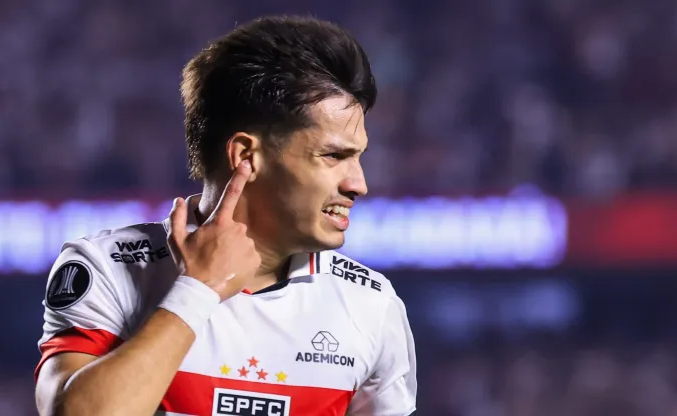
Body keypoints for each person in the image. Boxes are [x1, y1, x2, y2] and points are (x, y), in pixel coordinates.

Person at [34, 15, 417, 416]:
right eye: (333, 156)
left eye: (357, 157)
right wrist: (197, 291)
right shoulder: (108, 267)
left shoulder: (371, 305)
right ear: (246, 156)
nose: (358, 183)